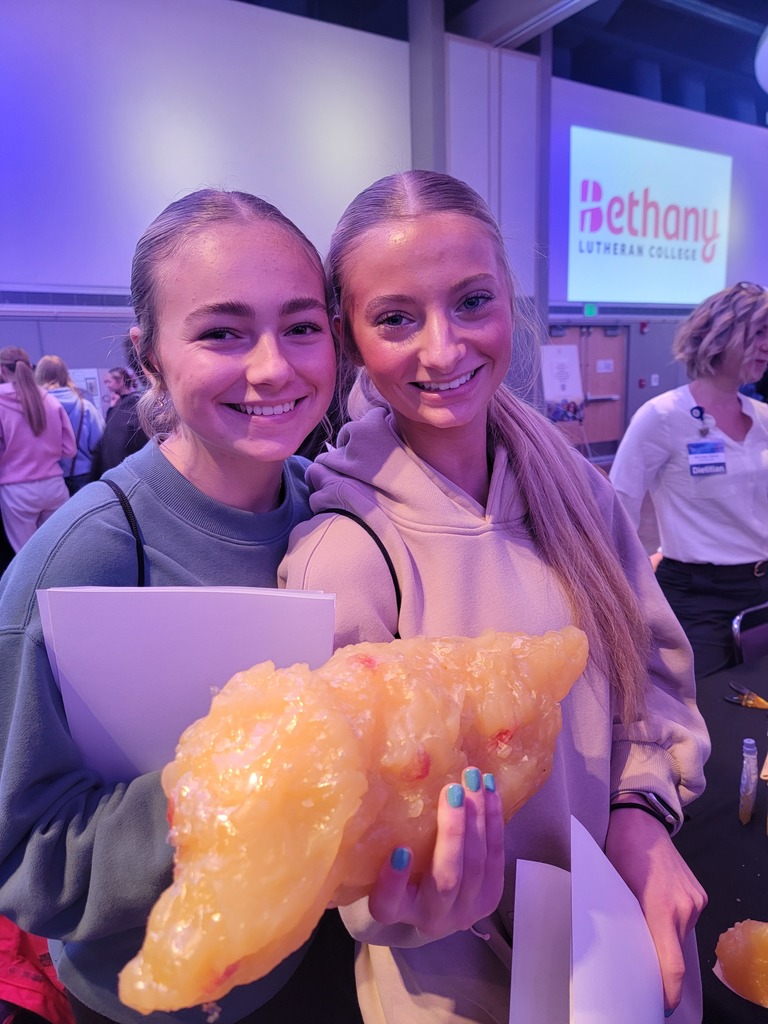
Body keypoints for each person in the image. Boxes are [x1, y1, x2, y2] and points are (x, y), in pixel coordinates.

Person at [280, 170, 709, 1023]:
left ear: (509, 301)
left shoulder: (574, 491)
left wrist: (642, 810)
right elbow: (344, 834)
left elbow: (649, 676)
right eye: (397, 318)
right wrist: (401, 898)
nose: (443, 350)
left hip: (624, 942)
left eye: (471, 302)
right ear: (349, 336)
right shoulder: (344, 550)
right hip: (462, 991)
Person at [0, 189, 365, 1024]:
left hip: (314, 959)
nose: (273, 368)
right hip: (154, 1001)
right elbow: (22, 857)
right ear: (150, 356)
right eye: (221, 332)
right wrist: (224, 794)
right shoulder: (80, 558)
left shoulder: (329, 514)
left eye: (303, 327)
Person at [609, 282, 768, 679]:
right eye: (760, 331)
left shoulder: (763, 418)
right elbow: (615, 507)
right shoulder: (662, 417)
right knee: (704, 714)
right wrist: (635, 577)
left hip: (762, 587)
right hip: (697, 596)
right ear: (721, 334)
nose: (767, 344)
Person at [0, 346, 77, 551]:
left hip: (17, 491)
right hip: (54, 486)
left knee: (26, 556)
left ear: (1, 370)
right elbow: (70, 449)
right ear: (30, 367)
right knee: (58, 551)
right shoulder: (50, 401)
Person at [35, 355, 106, 494]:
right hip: (83, 475)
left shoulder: (34, 409)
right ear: (65, 374)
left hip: (47, 480)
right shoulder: (85, 407)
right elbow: (99, 443)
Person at [91, 365, 149, 476]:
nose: (107, 386)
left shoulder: (134, 402)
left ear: (120, 381)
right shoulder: (119, 404)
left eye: (109, 382)